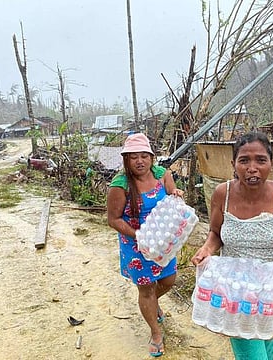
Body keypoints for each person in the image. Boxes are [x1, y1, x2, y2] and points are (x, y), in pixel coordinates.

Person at [191, 132, 273, 360]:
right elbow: (215, 233)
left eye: (260, 160)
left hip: (270, 292)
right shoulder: (223, 194)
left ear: (271, 163)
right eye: (244, 160)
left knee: (269, 351)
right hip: (236, 294)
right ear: (233, 164)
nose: (252, 167)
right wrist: (206, 250)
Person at [107, 133, 184, 357]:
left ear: (152, 158)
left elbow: (172, 196)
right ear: (126, 160)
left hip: (162, 242)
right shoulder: (120, 185)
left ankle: (150, 305)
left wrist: (177, 193)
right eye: (133, 157)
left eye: (144, 156)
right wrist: (138, 236)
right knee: (147, 288)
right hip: (136, 245)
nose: (139, 161)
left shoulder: (162, 175)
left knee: (169, 280)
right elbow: (113, 220)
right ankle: (155, 332)